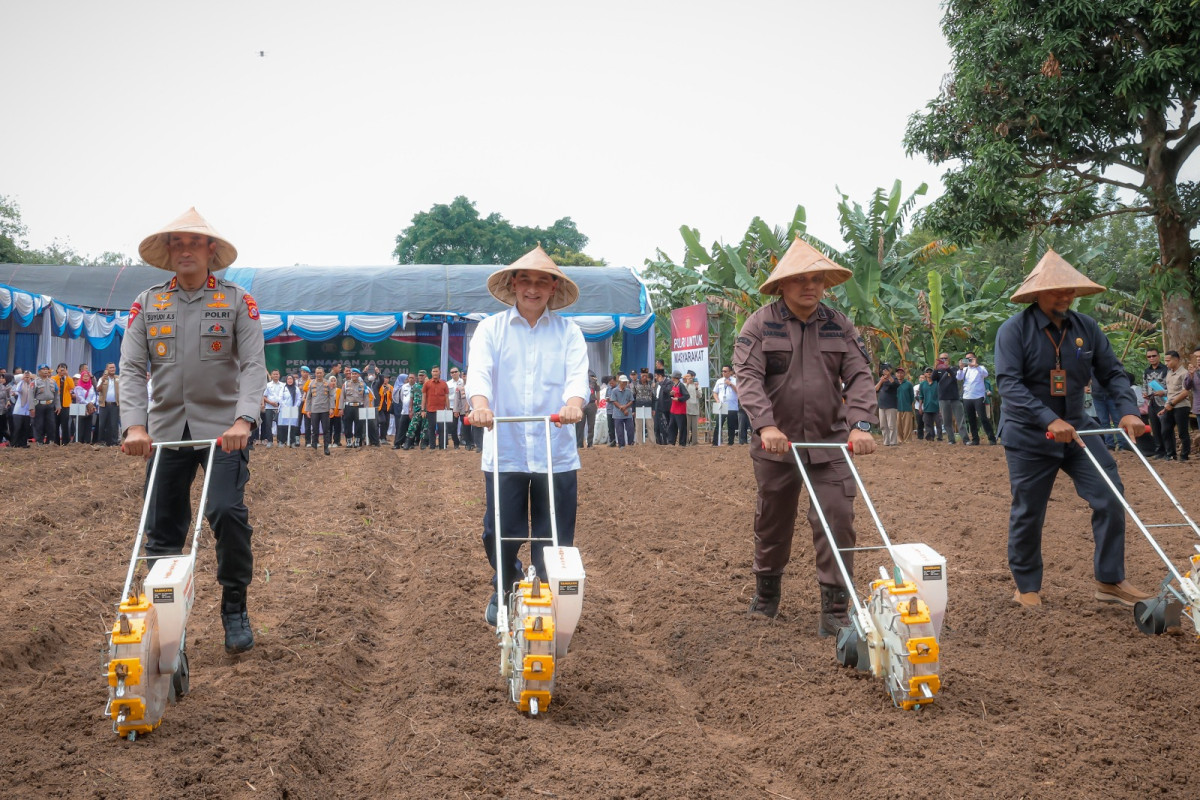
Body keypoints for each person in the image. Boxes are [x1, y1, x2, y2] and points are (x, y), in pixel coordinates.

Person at [119, 207, 266, 654]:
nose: (185, 250)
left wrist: (244, 420)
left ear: (210, 250)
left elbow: (253, 365)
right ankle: (164, 624)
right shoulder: (148, 303)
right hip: (165, 430)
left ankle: (234, 606)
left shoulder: (237, 301)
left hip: (223, 431)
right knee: (162, 530)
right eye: (177, 243)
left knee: (226, 512)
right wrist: (135, 426)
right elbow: (131, 368)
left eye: (194, 242)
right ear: (168, 252)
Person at [734, 237, 877, 635]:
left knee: (838, 518)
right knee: (773, 520)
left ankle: (835, 610)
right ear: (782, 284)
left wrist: (861, 424)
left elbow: (860, 375)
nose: (810, 286)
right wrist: (766, 425)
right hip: (776, 445)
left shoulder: (839, 325)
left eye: (816, 279)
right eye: (800, 279)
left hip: (830, 443)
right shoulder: (760, 324)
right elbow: (748, 378)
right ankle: (766, 596)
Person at [994, 249, 1152, 609]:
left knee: (1110, 495)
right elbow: (1009, 385)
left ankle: (1109, 581)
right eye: (1057, 291)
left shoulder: (1087, 328)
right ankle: (1026, 585)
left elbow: (1112, 372)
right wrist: (1048, 418)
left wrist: (1129, 411)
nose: (1066, 297)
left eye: (1070, 290)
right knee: (1029, 510)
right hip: (1029, 433)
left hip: (1079, 429)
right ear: (1037, 294)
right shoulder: (1014, 331)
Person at [465, 245, 587, 626]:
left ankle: (544, 598)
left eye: (542, 282)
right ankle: (505, 585)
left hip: (555, 451)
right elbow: (479, 373)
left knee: (554, 537)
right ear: (514, 284)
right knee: (498, 532)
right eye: (526, 281)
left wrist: (573, 404)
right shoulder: (491, 330)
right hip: (506, 449)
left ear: (553, 288)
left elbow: (576, 378)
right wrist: (481, 405)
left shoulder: (569, 333)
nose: (533, 289)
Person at [958, 351, 997, 445]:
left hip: (978, 396)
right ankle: (975, 440)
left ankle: (992, 438)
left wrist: (976, 365)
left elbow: (985, 374)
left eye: (970, 358)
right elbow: (959, 377)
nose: (969, 360)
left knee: (983, 418)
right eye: (967, 359)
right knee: (971, 419)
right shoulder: (965, 369)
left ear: (975, 358)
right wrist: (960, 368)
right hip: (967, 397)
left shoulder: (980, 368)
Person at [1158, 350, 1190, 461]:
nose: (1166, 363)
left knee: (1182, 432)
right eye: (1165, 361)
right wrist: (1166, 407)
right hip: (1169, 406)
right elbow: (1170, 392)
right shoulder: (1169, 373)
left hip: (1181, 406)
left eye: (1168, 361)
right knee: (1165, 430)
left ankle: (1184, 455)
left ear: (1176, 360)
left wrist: (1172, 403)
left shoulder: (1184, 373)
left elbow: (1185, 392)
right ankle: (1171, 454)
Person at [1143, 347, 1169, 458]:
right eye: (1149, 356)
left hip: (1164, 402)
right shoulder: (1147, 371)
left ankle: (1169, 451)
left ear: (1158, 356)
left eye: (1154, 356)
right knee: (1155, 427)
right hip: (1151, 402)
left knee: (1165, 428)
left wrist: (1163, 392)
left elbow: (1171, 385)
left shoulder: (1166, 369)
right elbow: (1144, 384)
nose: (1151, 358)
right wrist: (1145, 394)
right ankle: (1159, 451)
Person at [304, 366, 334, 454]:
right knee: (315, 430)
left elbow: (331, 396)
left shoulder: (328, 383)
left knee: (326, 430)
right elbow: (308, 398)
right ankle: (314, 448)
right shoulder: (311, 383)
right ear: (315, 374)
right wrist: (308, 410)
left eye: (320, 373)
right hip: (314, 410)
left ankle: (326, 448)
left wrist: (331, 408)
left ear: (323, 373)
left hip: (325, 409)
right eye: (317, 373)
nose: (319, 374)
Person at [30, 364, 60, 445]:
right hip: (39, 405)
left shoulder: (52, 382)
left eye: (47, 369)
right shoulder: (35, 382)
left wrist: (58, 405)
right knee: (39, 424)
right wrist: (32, 408)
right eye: (43, 369)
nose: (45, 371)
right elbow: (31, 395)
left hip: (50, 405)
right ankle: (39, 441)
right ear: (39, 371)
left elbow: (56, 394)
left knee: (51, 424)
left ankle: (50, 441)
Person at [711, 365, 740, 445]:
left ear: (730, 372)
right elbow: (715, 392)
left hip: (732, 406)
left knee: (731, 425)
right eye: (722, 371)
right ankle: (715, 442)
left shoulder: (735, 380)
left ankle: (730, 442)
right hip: (721, 406)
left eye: (725, 371)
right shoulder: (719, 381)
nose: (723, 373)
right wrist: (717, 400)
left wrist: (730, 384)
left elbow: (739, 391)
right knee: (718, 424)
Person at [96, 363, 120, 446]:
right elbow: (98, 389)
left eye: (113, 367)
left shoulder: (119, 378)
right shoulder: (102, 379)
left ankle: (114, 442)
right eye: (110, 368)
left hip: (115, 405)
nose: (112, 369)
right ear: (107, 369)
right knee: (102, 424)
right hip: (104, 405)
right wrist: (102, 381)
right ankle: (101, 441)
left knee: (114, 424)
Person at [875, 364, 899, 446]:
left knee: (891, 425)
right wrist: (881, 381)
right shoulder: (881, 379)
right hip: (881, 406)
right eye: (884, 369)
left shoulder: (894, 378)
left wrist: (889, 376)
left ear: (891, 370)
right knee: (883, 425)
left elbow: (896, 385)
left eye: (887, 369)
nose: (885, 371)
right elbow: (875, 389)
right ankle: (886, 442)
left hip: (891, 405)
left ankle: (893, 442)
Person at [261, 369, 284, 447]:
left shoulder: (283, 385)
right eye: (274, 374)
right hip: (269, 407)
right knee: (268, 425)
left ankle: (280, 441)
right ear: (271, 375)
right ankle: (270, 441)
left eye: (277, 374)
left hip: (280, 408)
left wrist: (279, 404)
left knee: (280, 425)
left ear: (279, 375)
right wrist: (271, 403)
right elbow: (264, 396)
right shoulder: (267, 385)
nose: (275, 376)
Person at [609, 374, 634, 447]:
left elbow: (631, 400)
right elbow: (614, 401)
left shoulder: (628, 391)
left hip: (627, 413)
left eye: (625, 382)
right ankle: (621, 445)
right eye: (623, 382)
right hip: (618, 414)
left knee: (630, 429)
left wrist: (625, 407)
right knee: (619, 431)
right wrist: (622, 408)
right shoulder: (614, 391)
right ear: (619, 382)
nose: (625, 383)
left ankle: (630, 444)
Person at [53, 363, 76, 444]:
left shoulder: (68, 379)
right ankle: (56, 442)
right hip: (55, 405)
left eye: (64, 369)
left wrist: (66, 376)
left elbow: (72, 386)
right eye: (60, 369)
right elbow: (53, 385)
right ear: (57, 370)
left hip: (65, 405)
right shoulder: (54, 378)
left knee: (65, 424)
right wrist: (59, 376)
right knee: (55, 424)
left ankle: (65, 442)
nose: (62, 370)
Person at [918, 368, 941, 440]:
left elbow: (940, 395)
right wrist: (920, 407)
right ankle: (930, 437)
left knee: (938, 423)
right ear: (925, 374)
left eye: (930, 372)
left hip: (936, 407)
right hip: (927, 407)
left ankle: (940, 437)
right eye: (927, 372)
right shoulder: (922, 384)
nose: (929, 373)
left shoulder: (937, 383)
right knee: (927, 423)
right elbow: (921, 396)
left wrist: (941, 407)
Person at [895, 367, 914, 443]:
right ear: (896, 374)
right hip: (897, 407)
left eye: (901, 373)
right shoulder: (894, 383)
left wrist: (910, 405)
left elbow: (912, 397)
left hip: (907, 407)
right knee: (898, 425)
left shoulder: (908, 384)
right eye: (898, 373)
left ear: (904, 374)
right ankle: (900, 439)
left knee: (907, 425)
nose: (899, 374)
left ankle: (907, 440)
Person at [684, 370, 701, 445]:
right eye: (688, 377)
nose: (690, 378)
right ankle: (686, 441)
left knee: (694, 428)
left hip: (695, 409)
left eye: (690, 377)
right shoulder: (685, 385)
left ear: (694, 377)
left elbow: (699, 395)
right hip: (687, 408)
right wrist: (687, 384)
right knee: (686, 427)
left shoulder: (697, 385)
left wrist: (696, 387)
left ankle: (694, 442)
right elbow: (683, 394)